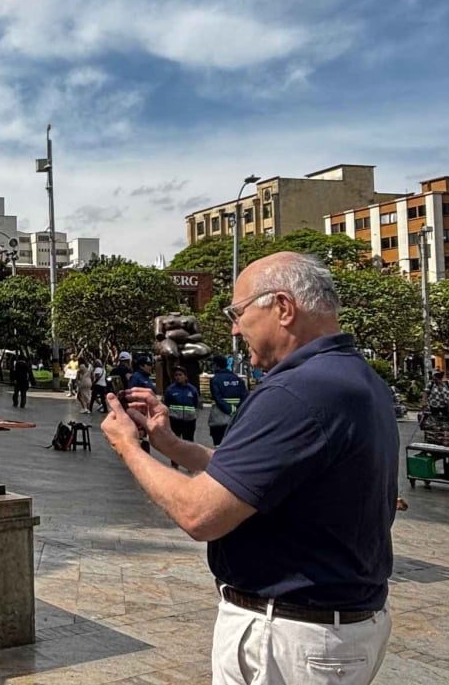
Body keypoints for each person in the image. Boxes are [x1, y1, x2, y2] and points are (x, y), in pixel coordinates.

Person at [100, 252, 396, 684]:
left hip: (292, 637)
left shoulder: (299, 391)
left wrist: (128, 447)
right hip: (328, 627)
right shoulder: (351, 377)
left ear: (282, 307)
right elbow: (250, 476)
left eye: (238, 313)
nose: (235, 329)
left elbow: (200, 514)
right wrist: (169, 443)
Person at [208, 355, 248, 447]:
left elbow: (217, 397)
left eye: (212, 364)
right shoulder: (237, 379)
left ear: (216, 365)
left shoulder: (215, 380)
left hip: (219, 418)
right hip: (237, 418)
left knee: (218, 446)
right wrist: (236, 410)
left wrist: (230, 409)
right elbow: (245, 396)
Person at [163, 365, 201, 449]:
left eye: (180, 375)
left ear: (185, 376)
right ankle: (175, 462)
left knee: (189, 444)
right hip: (175, 421)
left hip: (189, 422)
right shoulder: (170, 390)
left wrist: (193, 416)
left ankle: (188, 462)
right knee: (174, 444)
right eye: (176, 375)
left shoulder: (192, 390)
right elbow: (166, 403)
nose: (178, 377)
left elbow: (196, 404)